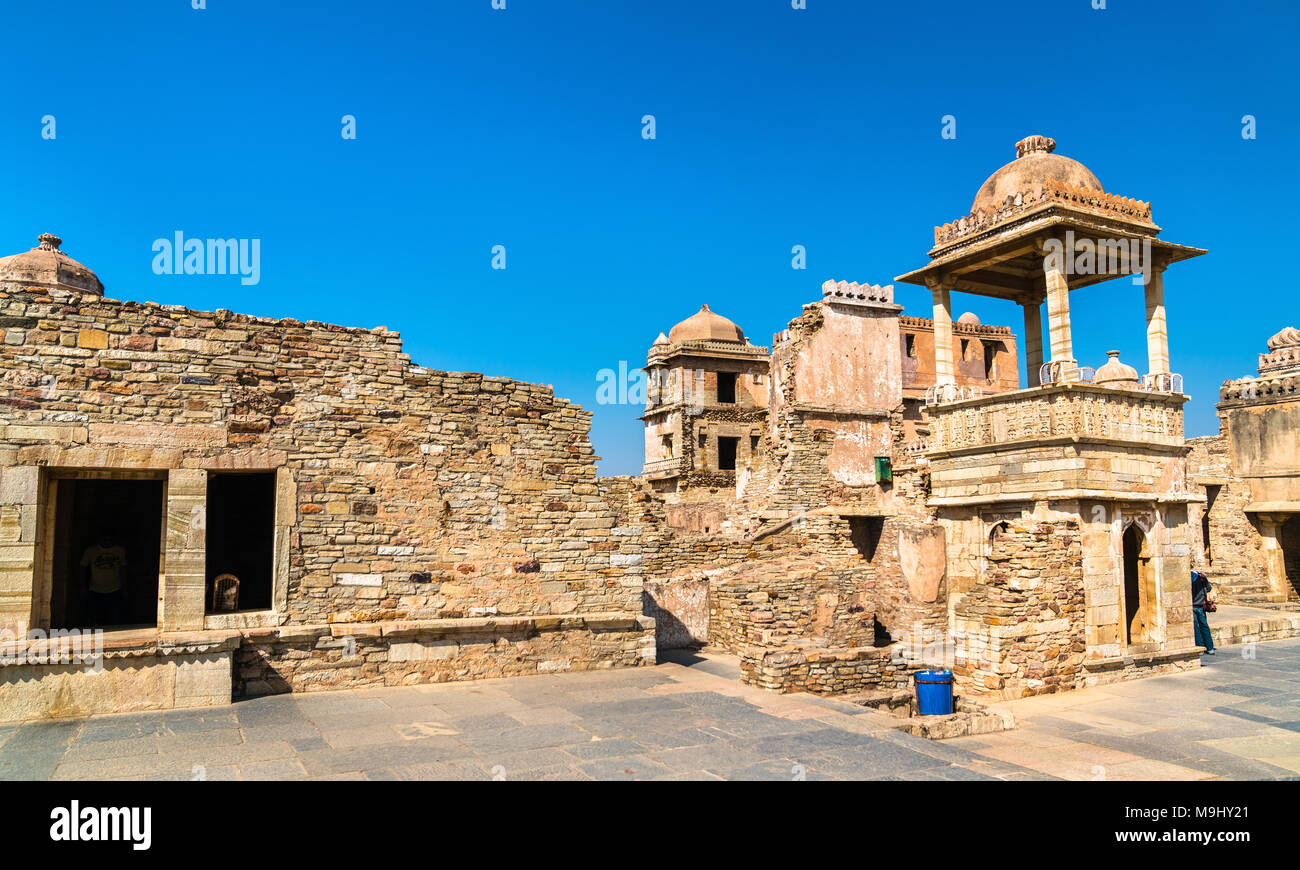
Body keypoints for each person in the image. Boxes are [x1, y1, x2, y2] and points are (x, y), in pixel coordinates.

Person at [80, 532, 127, 627]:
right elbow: (82, 568)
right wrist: (82, 586)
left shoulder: (120, 550)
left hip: (115, 589)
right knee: (95, 618)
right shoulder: (91, 551)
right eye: (105, 539)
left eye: (109, 539)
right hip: (95, 589)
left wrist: (124, 587)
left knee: (114, 618)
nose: (107, 542)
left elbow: (123, 569)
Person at [1191, 568, 1215, 655]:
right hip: (1201, 605)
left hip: (1192, 605)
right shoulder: (1201, 576)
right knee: (1204, 626)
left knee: (1195, 628)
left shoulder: (1187, 577)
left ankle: (1199, 648)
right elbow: (1208, 588)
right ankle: (1210, 648)